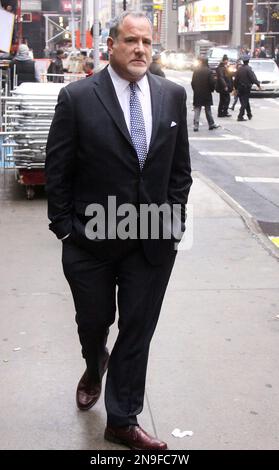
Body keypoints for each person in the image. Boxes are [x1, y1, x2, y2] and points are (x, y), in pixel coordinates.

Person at [45, 11, 192, 450]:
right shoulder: (77, 97)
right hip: (89, 242)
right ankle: (94, 365)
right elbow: (58, 169)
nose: (140, 50)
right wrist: (65, 228)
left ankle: (122, 419)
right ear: (111, 45)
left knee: (137, 329)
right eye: (131, 40)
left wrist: (173, 223)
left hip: (151, 242)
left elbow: (179, 169)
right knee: (94, 323)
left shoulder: (171, 96)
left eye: (147, 42)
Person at [191, 57, 219, 131]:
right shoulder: (209, 71)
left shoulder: (196, 71)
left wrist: (195, 89)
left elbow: (193, 82)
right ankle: (211, 124)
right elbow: (212, 83)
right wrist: (212, 89)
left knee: (197, 109)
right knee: (208, 109)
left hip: (197, 92)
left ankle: (196, 126)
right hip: (206, 92)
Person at [234, 55, 261, 121]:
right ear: (248, 61)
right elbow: (253, 78)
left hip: (240, 88)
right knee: (244, 102)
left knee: (245, 101)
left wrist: (235, 88)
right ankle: (240, 116)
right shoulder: (249, 69)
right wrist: (258, 84)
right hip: (246, 88)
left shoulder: (239, 69)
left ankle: (249, 114)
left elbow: (235, 79)